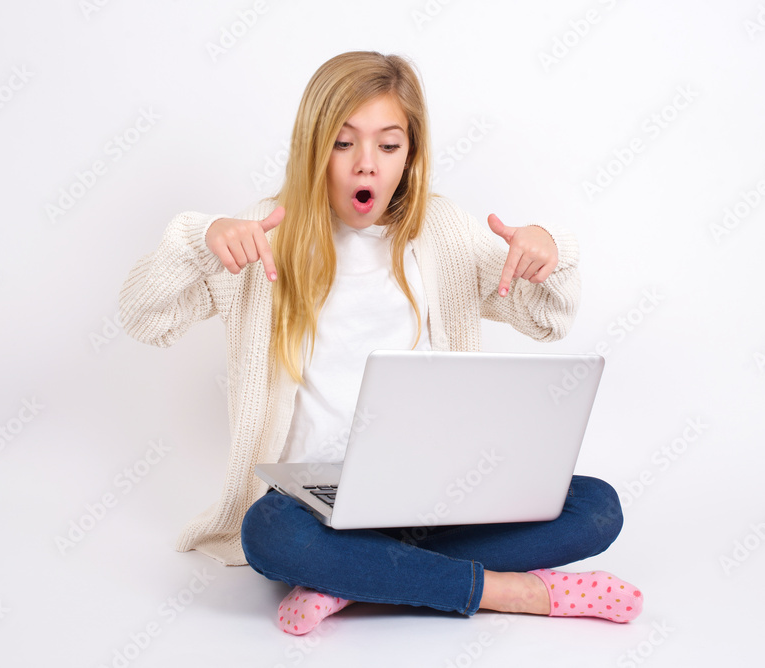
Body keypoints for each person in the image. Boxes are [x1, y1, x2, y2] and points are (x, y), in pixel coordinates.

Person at [119, 51, 641, 635]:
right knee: (268, 534)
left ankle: (351, 580)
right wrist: (199, 238)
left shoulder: (442, 233)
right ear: (314, 145)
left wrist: (551, 251)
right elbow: (146, 319)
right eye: (344, 144)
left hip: (435, 491)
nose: (366, 166)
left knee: (598, 506)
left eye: (388, 147)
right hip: (315, 506)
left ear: (411, 155)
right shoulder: (263, 233)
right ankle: (504, 591)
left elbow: (546, 320)